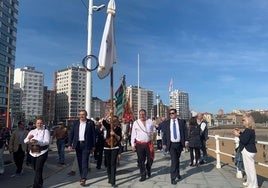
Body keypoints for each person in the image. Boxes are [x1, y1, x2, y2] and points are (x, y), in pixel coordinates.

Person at [68, 110, 96, 186]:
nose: (81, 116)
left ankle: (83, 178)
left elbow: (93, 135)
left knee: (84, 161)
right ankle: (82, 176)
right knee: (80, 162)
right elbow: (71, 134)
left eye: (83, 114)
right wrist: (70, 144)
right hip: (78, 145)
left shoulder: (90, 123)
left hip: (86, 145)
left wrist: (93, 145)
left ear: (86, 115)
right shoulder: (76, 123)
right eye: (80, 114)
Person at [162, 108, 189, 185]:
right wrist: (164, 143)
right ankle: (173, 177)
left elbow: (185, 132)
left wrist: (186, 141)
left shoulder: (181, 122)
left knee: (177, 159)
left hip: (179, 144)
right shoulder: (167, 123)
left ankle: (177, 173)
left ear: (176, 113)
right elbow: (165, 134)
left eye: (173, 113)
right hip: (171, 145)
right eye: (170, 114)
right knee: (174, 160)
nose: (171, 115)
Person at [233, 115, 258, 188]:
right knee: (247, 168)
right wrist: (240, 133)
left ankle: (254, 185)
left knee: (251, 169)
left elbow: (244, 140)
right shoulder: (248, 130)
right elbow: (244, 137)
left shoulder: (249, 130)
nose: (242, 121)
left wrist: (237, 135)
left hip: (248, 151)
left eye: (243, 120)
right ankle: (249, 182)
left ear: (248, 121)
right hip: (248, 150)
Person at [24, 118, 50, 188]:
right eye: (38, 123)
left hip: (42, 152)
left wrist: (37, 141)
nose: (39, 124)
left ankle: (36, 185)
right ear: (36, 124)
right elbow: (25, 141)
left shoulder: (46, 131)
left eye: (40, 123)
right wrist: (29, 139)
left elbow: (47, 142)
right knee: (36, 168)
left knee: (38, 168)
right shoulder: (32, 131)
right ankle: (40, 182)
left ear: (43, 123)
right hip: (33, 152)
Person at [131, 109, 155, 182]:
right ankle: (143, 175)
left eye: (143, 114)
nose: (142, 116)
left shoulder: (150, 121)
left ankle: (148, 168)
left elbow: (154, 130)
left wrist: (153, 133)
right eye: (140, 114)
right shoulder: (136, 123)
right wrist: (132, 145)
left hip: (148, 143)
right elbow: (133, 134)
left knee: (150, 159)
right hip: (139, 144)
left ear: (145, 114)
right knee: (141, 161)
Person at [102, 115, 122, 187]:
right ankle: (109, 177)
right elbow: (103, 121)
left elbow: (119, 138)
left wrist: (115, 134)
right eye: (113, 121)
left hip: (115, 147)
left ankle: (113, 180)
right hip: (107, 147)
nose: (114, 122)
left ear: (117, 122)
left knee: (113, 163)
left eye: (115, 121)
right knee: (108, 163)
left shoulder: (118, 129)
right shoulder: (108, 126)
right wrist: (108, 114)